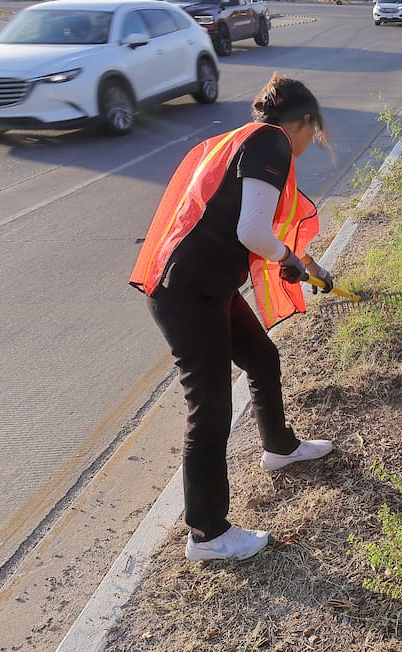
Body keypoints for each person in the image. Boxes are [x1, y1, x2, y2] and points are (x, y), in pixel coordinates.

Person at [129, 74, 337, 562]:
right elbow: (252, 230)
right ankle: (207, 534)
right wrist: (288, 255)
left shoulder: (241, 137)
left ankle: (280, 448)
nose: (308, 144)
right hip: (188, 292)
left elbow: (246, 226)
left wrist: (304, 263)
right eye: (314, 133)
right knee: (211, 407)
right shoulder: (272, 141)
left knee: (262, 358)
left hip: (206, 285)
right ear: (303, 122)